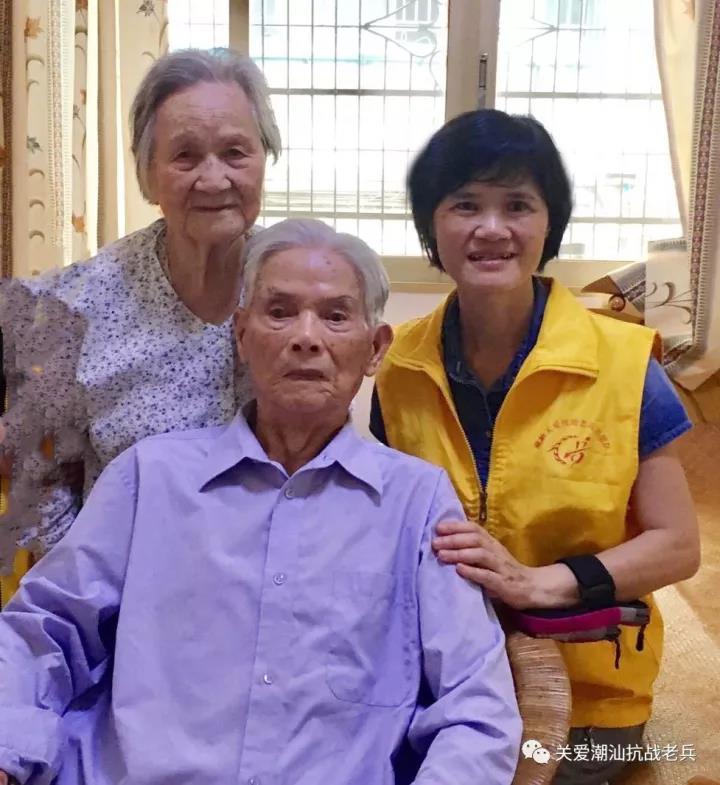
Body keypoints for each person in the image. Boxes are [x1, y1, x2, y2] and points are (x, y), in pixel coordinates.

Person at [0, 219, 522, 785]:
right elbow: (40, 631)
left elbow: (477, 708)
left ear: (375, 349)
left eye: (335, 316)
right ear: (242, 336)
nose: (306, 337)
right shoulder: (150, 477)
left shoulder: (416, 503)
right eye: (279, 312)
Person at [370, 109, 700, 785]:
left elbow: (677, 545)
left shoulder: (627, 364)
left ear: (550, 223)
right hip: (437, 675)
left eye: (517, 205)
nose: (492, 228)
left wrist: (538, 583)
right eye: (465, 205)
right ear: (432, 224)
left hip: (589, 695)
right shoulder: (398, 365)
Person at [0, 48, 280, 574]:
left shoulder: (299, 288)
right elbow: (40, 485)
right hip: (127, 591)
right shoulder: (74, 306)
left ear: (264, 158)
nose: (214, 179)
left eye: (235, 153)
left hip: (280, 580)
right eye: (185, 156)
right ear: (148, 174)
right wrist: (98, 595)